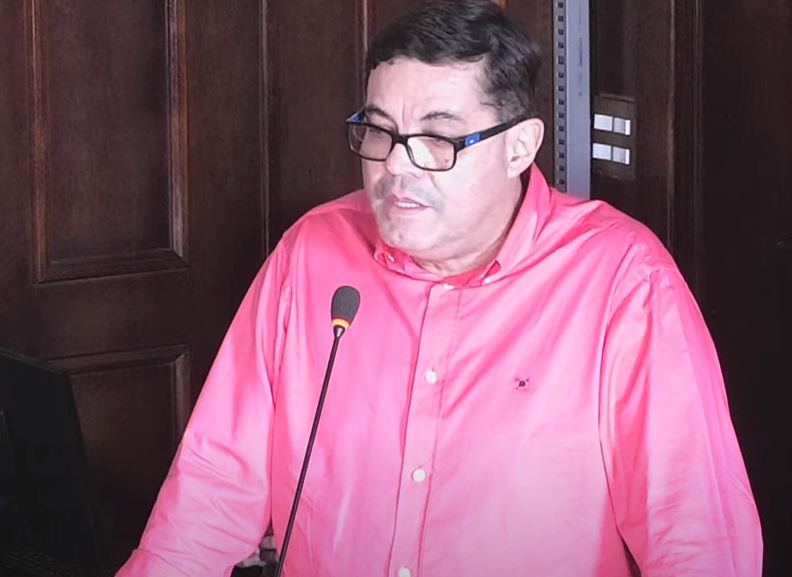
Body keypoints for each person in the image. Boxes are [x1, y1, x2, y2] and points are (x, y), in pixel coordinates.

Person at [117, 1, 762, 576]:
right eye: (379, 131)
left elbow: (697, 539)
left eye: (436, 137)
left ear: (519, 147)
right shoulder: (311, 254)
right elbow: (214, 486)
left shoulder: (624, 280)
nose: (396, 164)